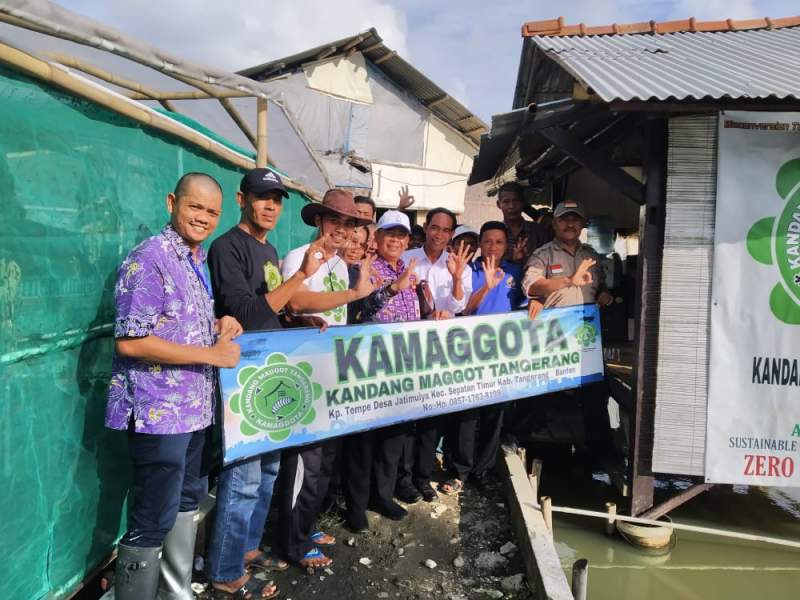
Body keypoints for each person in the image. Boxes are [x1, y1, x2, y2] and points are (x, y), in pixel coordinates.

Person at [106, 173, 243, 600]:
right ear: (172, 202)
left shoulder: (194, 259)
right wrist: (212, 355)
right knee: (153, 515)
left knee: (187, 501)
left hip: (194, 408)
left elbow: (177, 322)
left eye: (212, 212)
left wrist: (217, 324)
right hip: (158, 411)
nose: (203, 218)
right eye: (195, 207)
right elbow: (132, 341)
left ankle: (176, 591)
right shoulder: (149, 259)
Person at [205, 168, 330, 599]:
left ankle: (247, 549)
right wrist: (300, 277)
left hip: (271, 372)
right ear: (243, 199)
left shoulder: (268, 248)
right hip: (243, 377)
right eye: (262, 197)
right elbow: (245, 312)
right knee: (242, 480)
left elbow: (269, 309)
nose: (271, 206)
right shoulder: (227, 247)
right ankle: (224, 571)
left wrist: (297, 317)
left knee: (269, 471)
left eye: (277, 199)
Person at [276, 189, 374, 569]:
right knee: (305, 463)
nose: (342, 230)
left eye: (349, 223)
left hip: (332, 375)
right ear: (319, 221)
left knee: (325, 461)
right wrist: (353, 293)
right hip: (305, 375)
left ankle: (307, 524)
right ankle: (293, 543)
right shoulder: (300, 258)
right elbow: (296, 302)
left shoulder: (338, 266)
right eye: (335, 220)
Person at [342, 210, 420, 532]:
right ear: (377, 237)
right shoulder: (365, 268)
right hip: (369, 369)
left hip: (403, 368)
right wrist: (391, 289)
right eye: (390, 233)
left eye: (402, 235)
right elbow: (360, 311)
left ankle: (383, 496)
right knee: (363, 441)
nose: (396, 240)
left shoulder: (408, 269)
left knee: (393, 439)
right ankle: (356, 506)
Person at [520, 199, 615, 456]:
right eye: (564, 219)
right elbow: (532, 286)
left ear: (583, 224)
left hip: (586, 336)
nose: (570, 224)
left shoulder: (592, 256)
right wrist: (567, 281)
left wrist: (604, 296)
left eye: (575, 219)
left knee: (596, 393)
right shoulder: (543, 254)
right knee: (541, 394)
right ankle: (531, 447)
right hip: (553, 335)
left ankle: (600, 450)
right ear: (554, 223)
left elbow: (602, 287)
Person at [441, 221, 526, 494]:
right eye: (488, 241)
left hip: (501, 357)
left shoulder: (515, 272)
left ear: (506, 246)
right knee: (466, 415)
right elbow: (463, 309)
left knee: (494, 416)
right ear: (480, 243)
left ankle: (484, 471)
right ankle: (459, 471)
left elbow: (525, 306)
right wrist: (487, 287)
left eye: (499, 242)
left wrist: (535, 301)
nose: (493, 246)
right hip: (469, 355)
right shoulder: (467, 270)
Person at [397, 208, 473, 503]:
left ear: (451, 234)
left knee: (431, 418)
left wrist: (455, 277)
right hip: (408, 347)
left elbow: (460, 304)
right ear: (425, 228)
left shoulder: (458, 265)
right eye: (434, 228)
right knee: (405, 417)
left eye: (445, 230)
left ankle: (422, 477)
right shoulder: (406, 258)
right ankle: (402, 479)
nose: (439, 235)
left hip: (441, 351)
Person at [496, 181, 548, 265]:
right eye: (506, 202)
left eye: (516, 201)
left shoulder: (538, 231)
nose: (511, 206)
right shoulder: (494, 233)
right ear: (499, 204)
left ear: (523, 202)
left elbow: (547, 260)